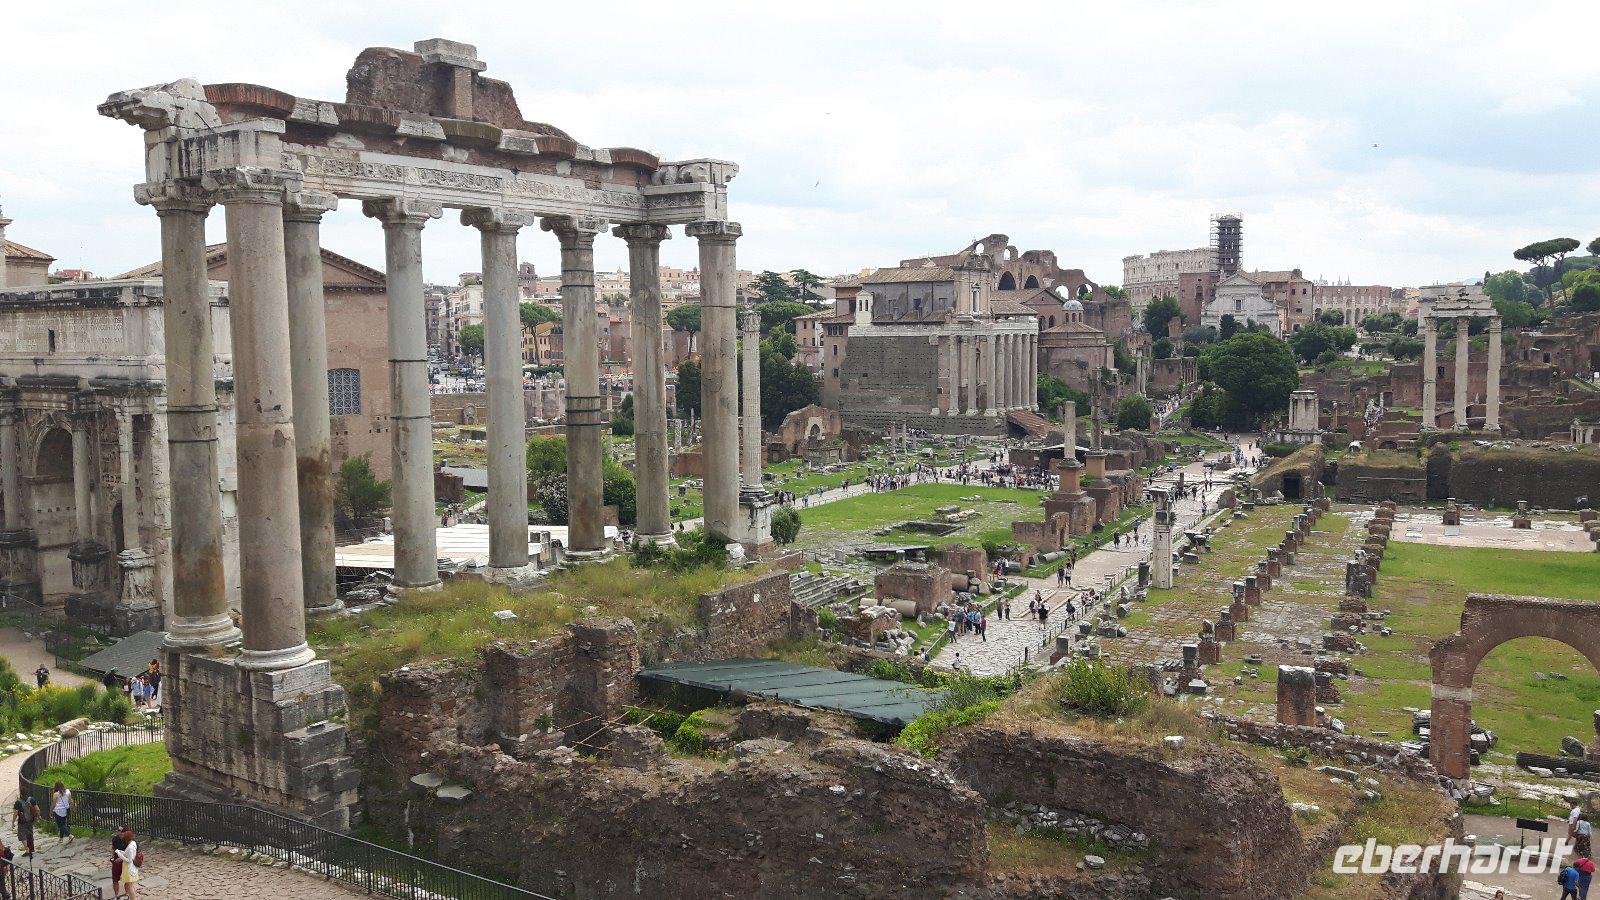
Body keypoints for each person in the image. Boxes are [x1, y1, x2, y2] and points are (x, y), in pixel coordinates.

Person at [114, 828, 141, 900]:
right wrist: (121, 851)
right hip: (131, 867)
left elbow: (128, 860)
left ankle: (133, 898)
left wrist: (119, 853)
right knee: (130, 885)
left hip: (129, 868)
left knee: (130, 886)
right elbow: (127, 853)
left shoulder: (130, 847)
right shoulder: (133, 843)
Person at [110, 824, 129, 899]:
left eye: (122, 831)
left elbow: (131, 854)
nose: (120, 832)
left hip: (126, 862)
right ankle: (116, 896)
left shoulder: (129, 840)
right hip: (116, 862)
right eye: (119, 830)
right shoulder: (115, 839)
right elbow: (113, 848)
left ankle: (127, 894)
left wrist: (121, 859)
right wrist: (112, 857)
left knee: (127, 880)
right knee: (115, 880)